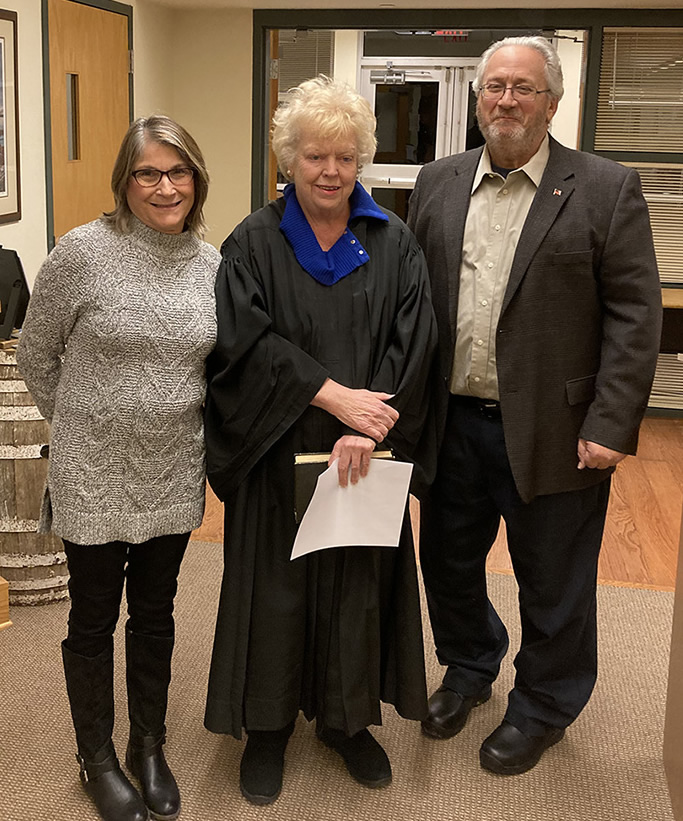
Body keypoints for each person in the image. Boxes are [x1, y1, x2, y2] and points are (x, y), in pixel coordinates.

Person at [407, 36, 662, 776]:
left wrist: (610, 423)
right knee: (447, 565)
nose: (506, 100)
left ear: (552, 101)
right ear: (477, 98)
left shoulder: (605, 187)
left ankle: (543, 704)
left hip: (556, 430)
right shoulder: (437, 180)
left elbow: (632, 316)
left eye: (523, 88)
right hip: (451, 421)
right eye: (494, 87)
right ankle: (467, 663)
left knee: (552, 579)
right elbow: (414, 300)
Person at [203, 75, 437, 805]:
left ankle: (345, 722)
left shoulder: (392, 242)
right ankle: (267, 728)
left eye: (343, 155)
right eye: (314, 156)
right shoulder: (251, 240)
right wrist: (332, 396)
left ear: (360, 158)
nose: (329, 171)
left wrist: (371, 425)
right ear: (288, 159)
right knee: (276, 588)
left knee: (356, 587)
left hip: (363, 456)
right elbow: (244, 345)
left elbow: (415, 341)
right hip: (277, 448)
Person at [17, 115, 220, 821]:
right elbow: (35, 353)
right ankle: (95, 757)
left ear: (197, 179)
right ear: (124, 181)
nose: (165, 186)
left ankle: (149, 745)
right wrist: (81, 424)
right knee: (95, 614)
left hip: (172, 467)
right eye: (147, 172)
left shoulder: (212, 265)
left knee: (156, 612)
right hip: (93, 470)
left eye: (178, 171)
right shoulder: (82, 252)